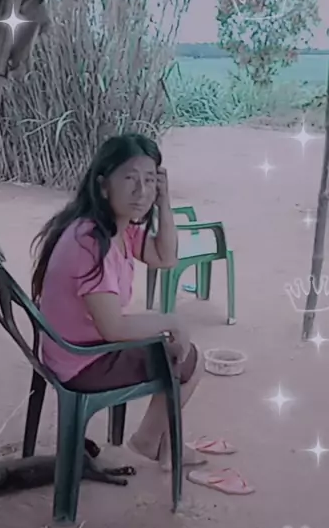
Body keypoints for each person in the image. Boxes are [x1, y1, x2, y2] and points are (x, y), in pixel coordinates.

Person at [31, 133, 240, 479]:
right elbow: (113, 328)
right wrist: (171, 321)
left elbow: (165, 257)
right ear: (103, 185)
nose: (141, 191)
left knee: (176, 349)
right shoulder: (91, 242)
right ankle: (149, 440)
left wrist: (165, 203)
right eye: (129, 178)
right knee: (188, 358)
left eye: (150, 180)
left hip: (71, 348)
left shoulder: (114, 227)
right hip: (82, 360)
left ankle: (164, 443)